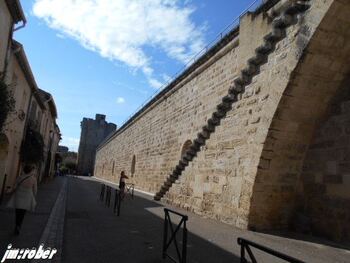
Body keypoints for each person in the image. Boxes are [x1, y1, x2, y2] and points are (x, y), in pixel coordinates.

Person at [7, 164, 37, 235]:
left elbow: (14, 187)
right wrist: (34, 196)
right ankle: (19, 226)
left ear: (24, 170)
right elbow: (35, 190)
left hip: (18, 196)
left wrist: (9, 191)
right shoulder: (33, 179)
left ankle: (17, 225)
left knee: (17, 212)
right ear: (30, 171)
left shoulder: (20, 177)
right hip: (27, 196)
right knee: (22, 213)